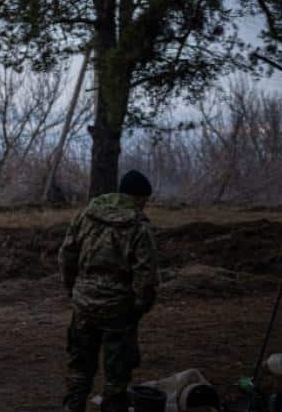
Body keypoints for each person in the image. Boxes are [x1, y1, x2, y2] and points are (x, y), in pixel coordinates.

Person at [58, 170, 159, 412]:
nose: (145, 206)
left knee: (79, 368)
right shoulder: (139, 227)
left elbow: (65, 256)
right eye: (144, 200)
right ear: (137, 197)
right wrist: (139, 307)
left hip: (83, 305)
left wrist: (75, 290)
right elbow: (146, 277)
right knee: (117, 377)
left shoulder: (86, 215)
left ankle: (73, 408)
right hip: (119, 311)